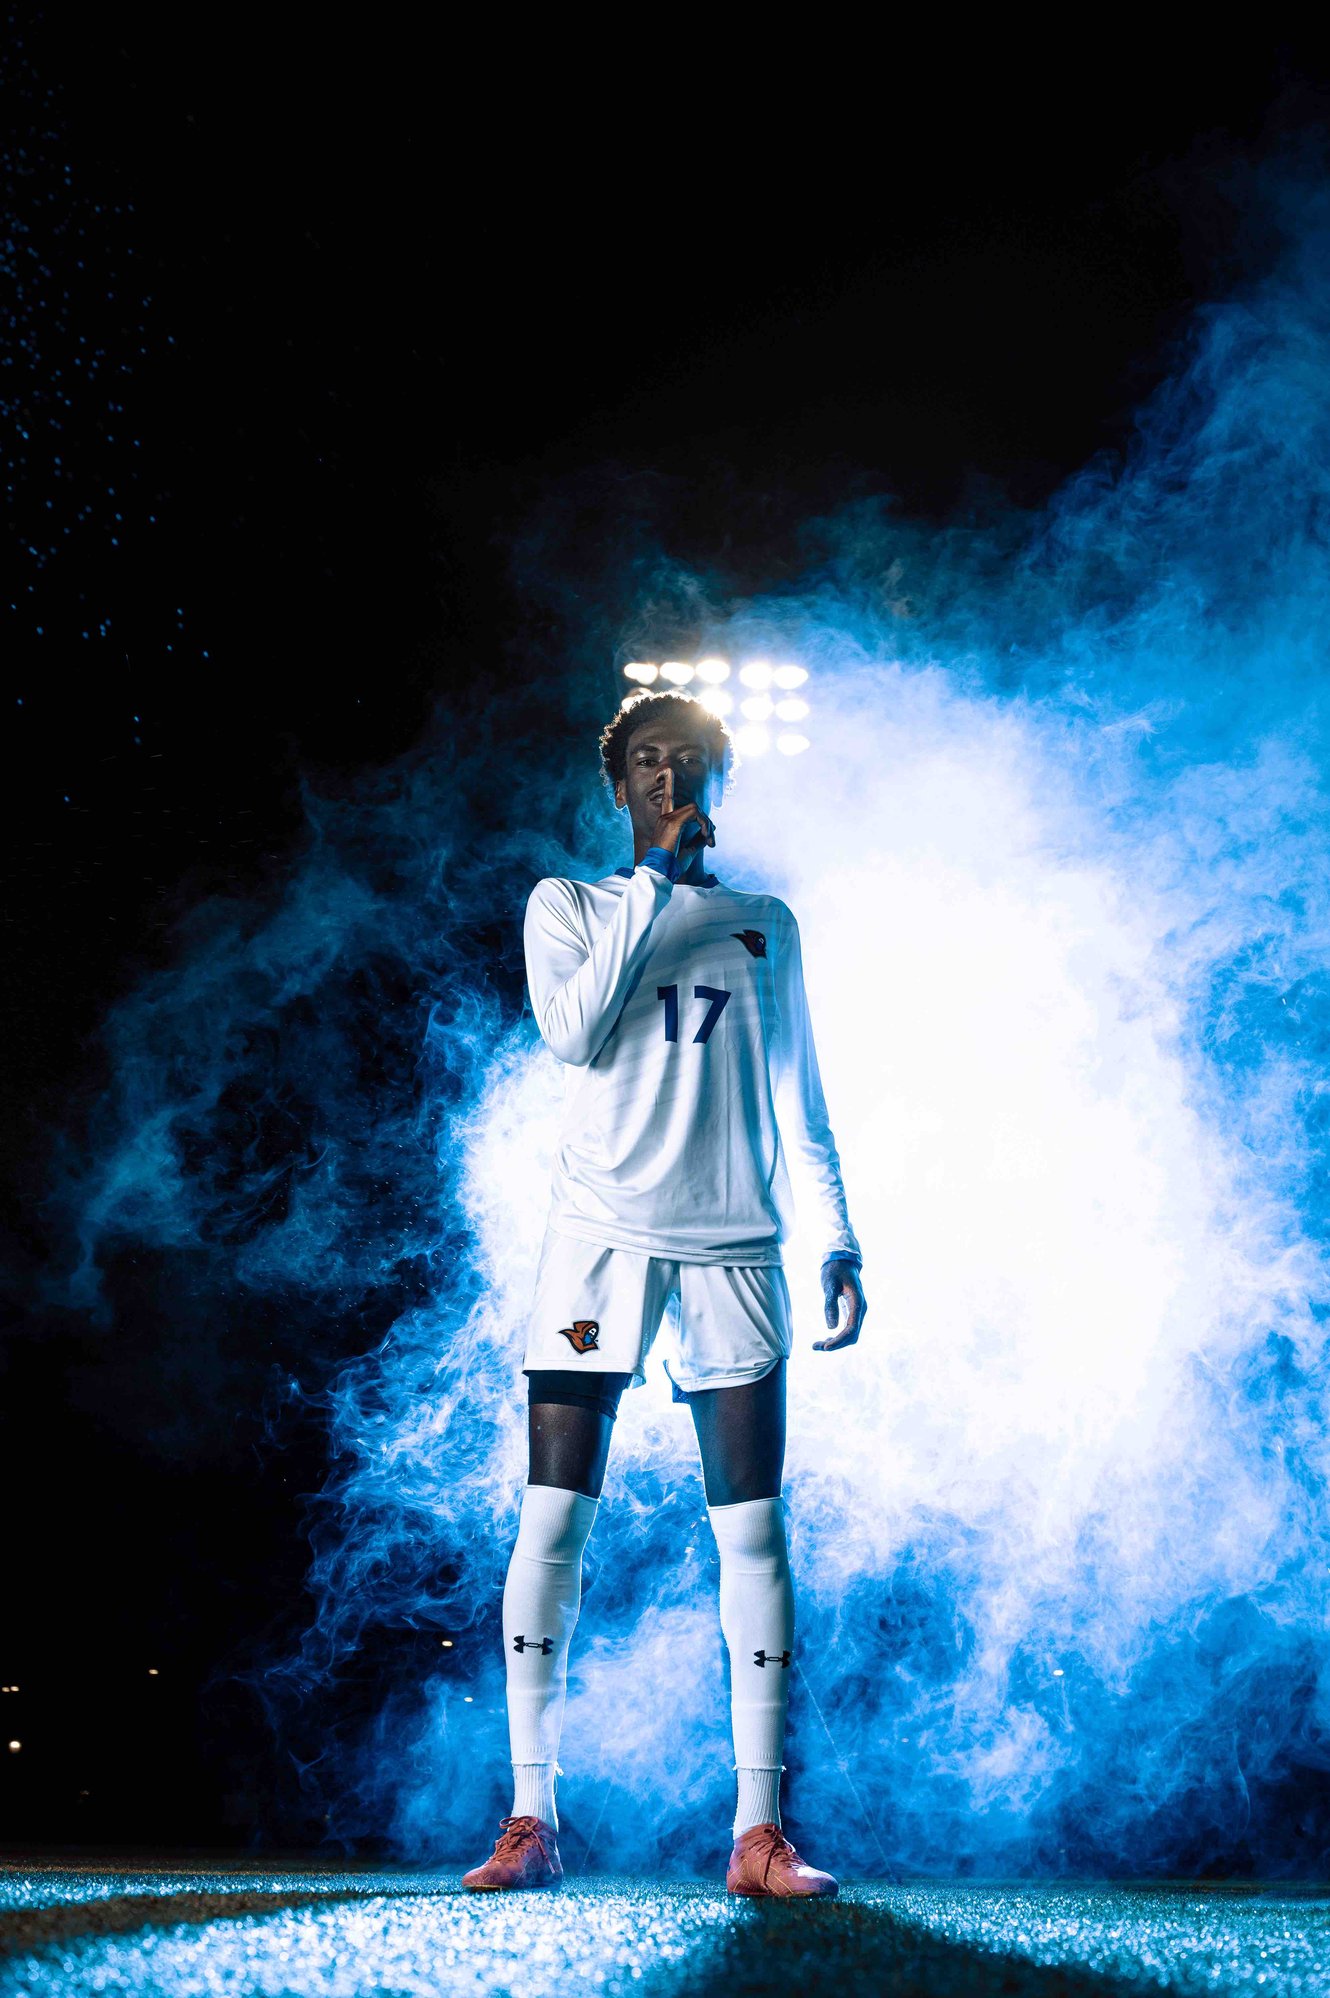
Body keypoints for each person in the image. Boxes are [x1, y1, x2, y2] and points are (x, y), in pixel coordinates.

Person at [463, 688, 867, 1896]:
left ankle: (757, 1836)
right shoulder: (571, 906)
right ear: (618, 785)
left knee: (753, 1530)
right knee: (553, 1520)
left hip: (735, 1242)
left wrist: (839, 1236)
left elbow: (803, 1099)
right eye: (646, 762)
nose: (668, 776)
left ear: (719, 778)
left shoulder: (766, 923)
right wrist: (649, 880)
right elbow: (575, 1036)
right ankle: (530, 1820)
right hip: (599, 1237)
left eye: (688, 760)